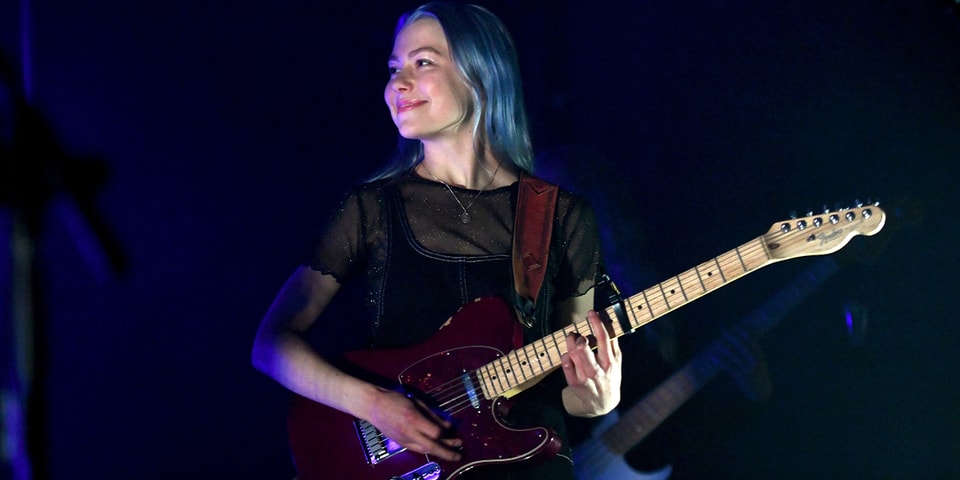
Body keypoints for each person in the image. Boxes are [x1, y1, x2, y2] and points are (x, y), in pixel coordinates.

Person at [251, 2, 622, 479]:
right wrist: (376, 405)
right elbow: (270, 344)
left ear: (481, 73)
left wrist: (599, 396)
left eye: (422, 62)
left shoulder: (563, 215)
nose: (396, 84)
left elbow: (571, 383)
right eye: (393, 68)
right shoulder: (370, 208)